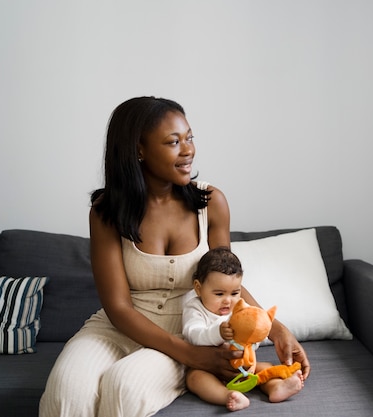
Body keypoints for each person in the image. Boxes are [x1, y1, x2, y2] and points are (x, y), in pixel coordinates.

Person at [38, 96, 310, 417]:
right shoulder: (105, 211)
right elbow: (118, 307)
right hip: (116, 329)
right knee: (65, 394)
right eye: (173, 141)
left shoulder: (211, 203)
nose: (188, 149)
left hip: (187, 331)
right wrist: (193, 357)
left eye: (189, 137)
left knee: (123, 388)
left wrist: (278, 330)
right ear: (139, 149)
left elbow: (229, 285)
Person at [182, 247, 304, 411]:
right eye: (219, 294)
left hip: (243, 368)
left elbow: (253, 335)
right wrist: (218, 332)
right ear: (198, 287)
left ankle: (276, 388)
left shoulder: (242, 310)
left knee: (266, 367)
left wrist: (252, 340)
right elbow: (192, 334)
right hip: (209, 368)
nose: (228, 301)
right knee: (194, 378)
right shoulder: (195, 308)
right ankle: (228, 396)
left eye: (235, 293)